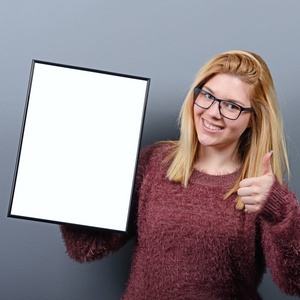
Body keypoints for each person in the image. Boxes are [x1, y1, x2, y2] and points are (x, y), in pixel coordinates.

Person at [60, 50, 300, 299]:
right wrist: (65, 182)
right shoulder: (153, 162)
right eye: (207, 95)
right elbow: (87, 248)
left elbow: (295, 282)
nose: (213, 112)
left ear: (254, 118)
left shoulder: (260, 190)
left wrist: (278, 209)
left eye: (231, 106)